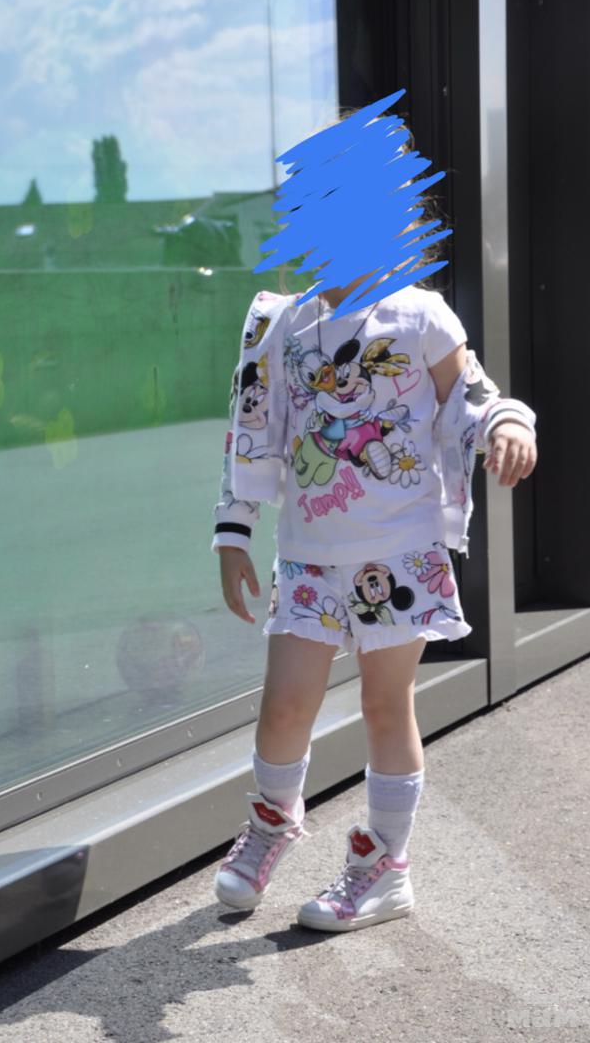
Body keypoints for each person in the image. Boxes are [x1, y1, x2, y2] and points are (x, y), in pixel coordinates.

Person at [209, 119, 537, 933]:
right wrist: (234, 529)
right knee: (284, 707)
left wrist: (507, 422)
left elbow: (472, 396)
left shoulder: (420, 315)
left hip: (397, 556)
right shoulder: (280, 324)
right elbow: (252, 429)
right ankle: (270, 826)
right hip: (309, 559)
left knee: (387, 708)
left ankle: (384, 867)